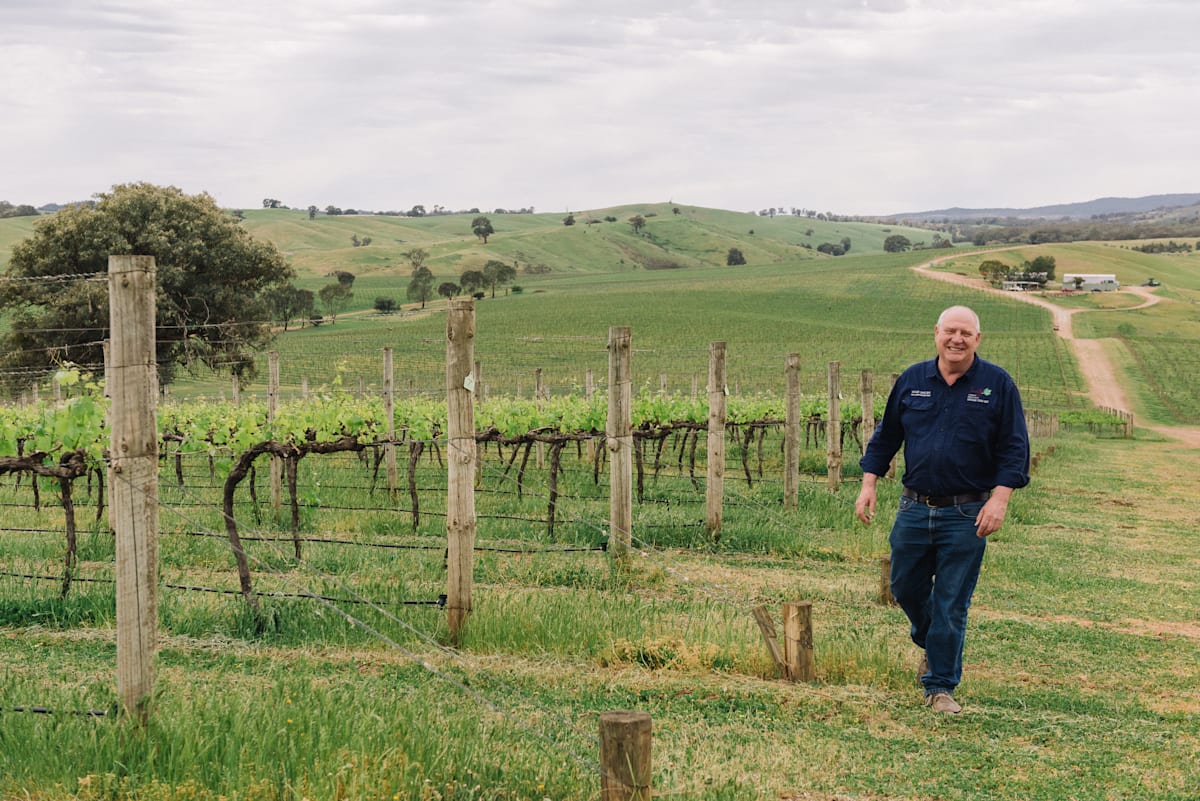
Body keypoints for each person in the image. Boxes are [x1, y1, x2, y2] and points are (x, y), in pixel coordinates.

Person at [855, 305, 1029, 714]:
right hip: (913, 508)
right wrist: (868, 485)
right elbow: (886, 437)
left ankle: (939, 687)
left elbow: (1014, 447)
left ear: (978, 339)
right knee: (904, 588)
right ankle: (933, 642)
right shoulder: (913, 380)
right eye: (950, 331)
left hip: (968, 513)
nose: (957, 339)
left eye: (966, 333)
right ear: (936, 333)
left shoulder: (997, 384)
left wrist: (1000, 500)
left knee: (951, 600)